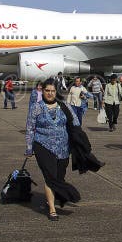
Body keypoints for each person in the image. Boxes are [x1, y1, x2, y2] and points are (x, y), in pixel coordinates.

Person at [25, 79, 82, 221]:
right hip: (42, 145)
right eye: (47, 90)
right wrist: (29, 148)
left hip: (63, 147)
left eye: (52, 91)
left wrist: (78, 141)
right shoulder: (36, 107)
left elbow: (75, 123)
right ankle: (52, 209)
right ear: (42, 91)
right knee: (50, 176)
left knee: (59, 177)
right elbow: (30, 128)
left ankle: (50, 199)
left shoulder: (64, 106)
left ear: (56, 92)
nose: (50, 93)